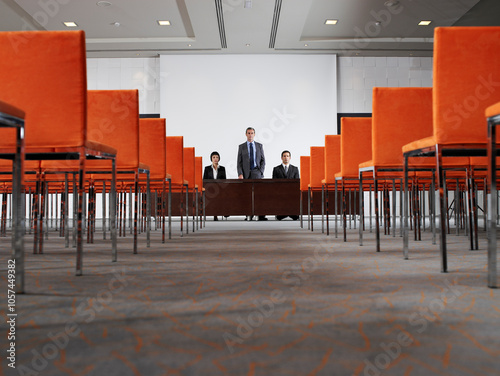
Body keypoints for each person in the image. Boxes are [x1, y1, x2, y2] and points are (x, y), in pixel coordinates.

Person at [237, 127, 267, 221]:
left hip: (256, 172)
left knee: (258, 194)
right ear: (246, 134)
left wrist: (261, 171)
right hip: (246, 174)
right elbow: (239, 162)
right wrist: (240, 174)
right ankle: (248, 215)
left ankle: (258, 214)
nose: (250, 135)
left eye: (252, 133)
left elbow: (263, 160)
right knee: (247, 195)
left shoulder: (259, 146)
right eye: (249, 133)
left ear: (254, 134)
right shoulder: (242, 147)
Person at [272, 150, 300, 220]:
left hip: (292, 193)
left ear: (290, 158)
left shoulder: (295, 169)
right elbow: (274, 183)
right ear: (281, 158)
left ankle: (292, 213)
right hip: (280, 193)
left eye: (287, 156)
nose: (286, 158)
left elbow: (297, 182)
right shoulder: (276, 169)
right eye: (284, 156)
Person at [203, 151, 226, 221]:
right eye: (214, 157)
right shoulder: (207, 168)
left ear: (219, 159)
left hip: (219, 189)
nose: (215, 159)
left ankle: (218, 214)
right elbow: (204, 180)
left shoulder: (222, 168)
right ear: (211, 159)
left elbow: (224, 180)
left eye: (217, 157)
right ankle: (214, 214)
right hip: (209, 189)